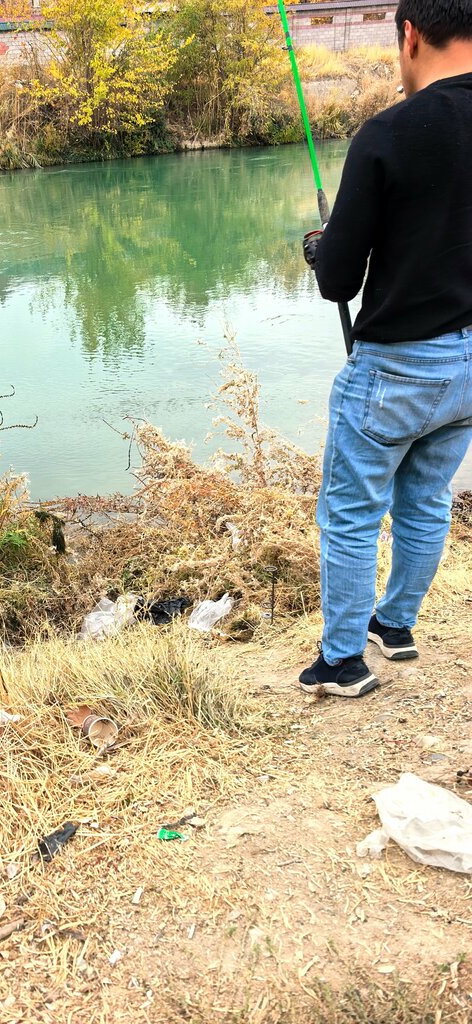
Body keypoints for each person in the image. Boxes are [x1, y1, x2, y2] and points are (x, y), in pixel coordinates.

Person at [299, 0, 472, 697]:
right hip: (470, 367)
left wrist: (321, 248)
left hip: (398, 366)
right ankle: (394, 624)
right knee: (426, 499)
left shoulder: (388, 134)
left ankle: (343, 662)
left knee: (350, 513)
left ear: (410, 35)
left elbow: (338, 277)